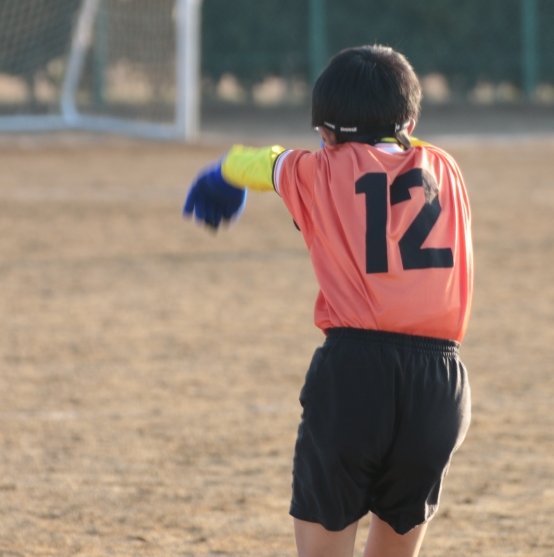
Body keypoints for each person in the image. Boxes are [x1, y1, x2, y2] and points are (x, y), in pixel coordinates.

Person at [183, 45, 473, 557]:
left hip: (355, 375)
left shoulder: (318, 171)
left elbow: (261, 161)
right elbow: (401, 149)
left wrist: (225, 172)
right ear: (409, 122)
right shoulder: (447, 170)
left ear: (325, 133)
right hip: (440, 385)